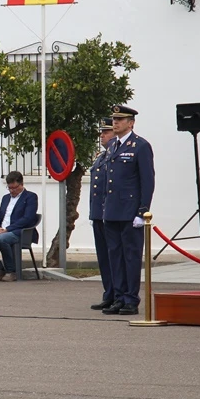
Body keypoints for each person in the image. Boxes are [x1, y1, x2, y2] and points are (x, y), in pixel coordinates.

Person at [101, 105, 155, 316]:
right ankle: (119, 296)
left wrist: (143, 211)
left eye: (120, 119)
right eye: (114, 119)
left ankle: (131, 299)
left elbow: (147, 181)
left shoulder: (140, 146)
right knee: (115, 256)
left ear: (131, 123)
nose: (115, 122)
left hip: (130, 211)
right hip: (113, 211)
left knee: (131, 256)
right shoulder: (113, 145)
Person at [0, 171, 39, 283]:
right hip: (1, 230)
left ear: (21, 184)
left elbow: (27, 218)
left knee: (2, 239)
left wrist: (8, 229)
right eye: (9, 188)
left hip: (18, 232)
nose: (12, 191)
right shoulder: (5, 198)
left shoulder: (30, 197)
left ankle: (11, 271)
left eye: (14, 188)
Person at [88, 118, 117, 311]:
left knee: (113, 256)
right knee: (103, 257)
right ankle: (109, 293)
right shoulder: (101, 156)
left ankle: (118, 294)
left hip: (110, 213)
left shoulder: (115, 155)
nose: (102, 136)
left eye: (106, 132)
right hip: (98, 213)